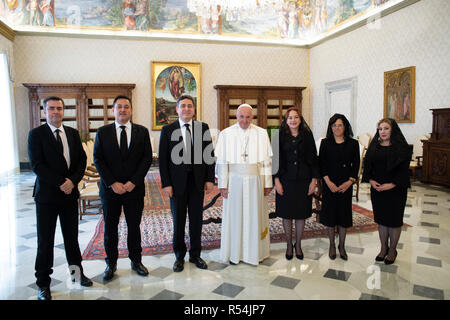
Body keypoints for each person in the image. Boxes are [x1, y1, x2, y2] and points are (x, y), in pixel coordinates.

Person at [28, 96, 93, 300]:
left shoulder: (72, 134)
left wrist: (72, 181)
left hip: (69, 196)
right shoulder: (36, 134)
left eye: (59, 108)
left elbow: (81, 161)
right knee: (45, 241)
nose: (55, 111)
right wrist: (60, 182)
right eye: (51, 108)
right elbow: (37, 165)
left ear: (64, 111)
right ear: (45, 111)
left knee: (71, 239)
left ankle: (76, 274)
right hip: (47, 197)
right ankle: (43, 284)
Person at [93, 95, 152, 281]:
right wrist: (112, 183)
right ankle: (111, 264)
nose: (123, 110)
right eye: (119, 107)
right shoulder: (103, 132)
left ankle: (136, 261)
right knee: (110, 228)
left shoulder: (142, 132)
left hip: (134, 189)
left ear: (131, 110)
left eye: (126, 107)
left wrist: (133, 182)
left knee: (134, 227)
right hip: (110, 190)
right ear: (113, 110)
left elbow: (147, 158)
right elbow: (98, 159)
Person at [159, 94, 215, 272]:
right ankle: (179, 256)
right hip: (176, 184)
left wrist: (209, 179)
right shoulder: (168, 130)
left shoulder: (202, 128)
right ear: (177, 109)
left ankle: (195, 255)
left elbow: (209, 155)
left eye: (190, 106)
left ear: (194, 109)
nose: (186, 109)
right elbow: (163, 160)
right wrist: (166, 184)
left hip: (197, 182)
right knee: (179, 220)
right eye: (183, 106)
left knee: (196, 220)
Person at [215, 104, 273, 265]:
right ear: (236, 116)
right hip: (234, 181)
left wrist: (267, 183)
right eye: (242, 116)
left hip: (255, 181)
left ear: (252, 117)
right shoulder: (226, 134)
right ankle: (234, 253)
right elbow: (222, 162)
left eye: (248, 117)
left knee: (255, 216)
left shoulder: (261, 133)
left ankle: (254, 253)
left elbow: (266, 162)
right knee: (235, 216)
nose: (245, 120)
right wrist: (222, 184)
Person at [362, 118, 412, 265]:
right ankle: (383, 248)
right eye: (380, 129)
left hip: (396, 190)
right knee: (382, 221)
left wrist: (391, 184)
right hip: (378, 190)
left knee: (394, 221)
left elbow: (403, 171)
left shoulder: (401, 148)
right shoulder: (374, 146)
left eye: (386, 128)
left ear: (393, 130)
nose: (382, 132)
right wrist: (371, 181)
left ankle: (392, 250)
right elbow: (367, 166)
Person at [273, 108, 319, 260]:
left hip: (304, 181)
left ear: (300, 119)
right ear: (286, 121)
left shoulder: (307, 135)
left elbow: (313, 159)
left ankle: (298, 244)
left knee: (301, 214)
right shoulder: (278, 136)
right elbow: (275, 160)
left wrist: (314, 181)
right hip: (285, 181)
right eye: (290, 118)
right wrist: (276, 181)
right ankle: (288, 244)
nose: (293, 120)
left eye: (296, 117)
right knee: (286, 214)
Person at [319, 114, 360, 260]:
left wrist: (350, 182)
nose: (337, 128)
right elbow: (321, 164)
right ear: (331, 127)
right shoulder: (325, 143)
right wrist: (328, 182)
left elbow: (356, 165)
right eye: (334, 125)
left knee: (343, 216)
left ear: (345, 126)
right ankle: (331, 244)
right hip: (329, 184)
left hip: (345, 184)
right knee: (330, 216)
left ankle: (341, 246)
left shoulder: (353, 144)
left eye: (340, 125)